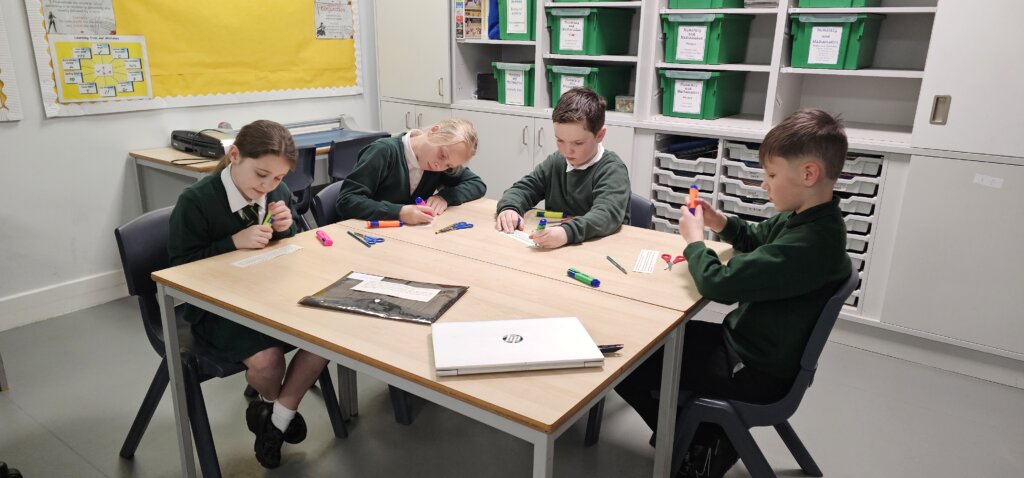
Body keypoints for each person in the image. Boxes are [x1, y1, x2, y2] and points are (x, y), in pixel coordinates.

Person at [614, 109, 853, 478]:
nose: (763, 184)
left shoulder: (809, 244)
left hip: (755, 368)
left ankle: (695, 439)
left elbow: (718, 284)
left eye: (772, 174)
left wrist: (695, 240)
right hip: (753, 347)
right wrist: (718, 222)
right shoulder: (809, 218)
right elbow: (757, 237)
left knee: (626, 365)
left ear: (808, 174)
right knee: (650, 343)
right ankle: (703, 434)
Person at [168, 120, 327, 469]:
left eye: (279, 179)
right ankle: (277, 408)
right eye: (261, 175)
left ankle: (277, 417)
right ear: (235, 156)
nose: (267, 186)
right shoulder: (196, 201)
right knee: (269, 360)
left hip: (267, 295)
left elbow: (293, 245)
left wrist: (289, 229)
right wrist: (231, 244)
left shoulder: (275, 193)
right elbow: (178, 269)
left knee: (329, 334)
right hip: (214, 307)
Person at [494, 87, 630, 249]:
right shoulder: (557, 162)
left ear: (599, 135)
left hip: (600, 249)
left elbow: (606, 215)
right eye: (560, 140)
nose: (567, 150)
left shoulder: (612, 169)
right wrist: (510, 208)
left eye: (578, 143)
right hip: (558, 249)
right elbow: (523, 188)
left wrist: (567, 232)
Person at [335, 118, 485, 224]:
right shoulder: (383, 152)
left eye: (449, 166)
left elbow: (477, 184)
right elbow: (347, 201)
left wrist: (444, 197)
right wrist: (399, 212)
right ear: (433, 131)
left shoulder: (438, 164)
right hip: (362, 233)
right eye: (442, 155)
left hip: (401, 237)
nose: (440, 166)